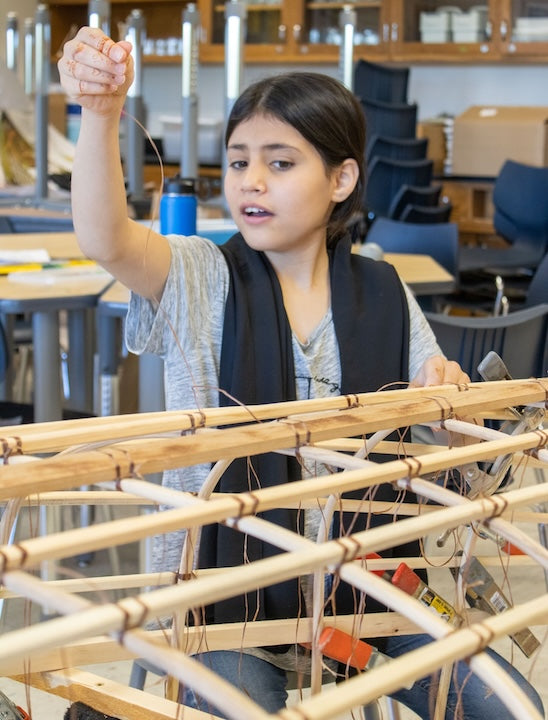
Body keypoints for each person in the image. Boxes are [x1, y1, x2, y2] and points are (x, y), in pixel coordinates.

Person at [58, 28, 544, 720]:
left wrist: (450, 407)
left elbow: (439, 446)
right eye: (238, 162)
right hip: (222, 598)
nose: (251, 182)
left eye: (280, 163)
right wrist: (102, 112)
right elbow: (106, 236)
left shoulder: (384, 291)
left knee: (509, 704)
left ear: (340, 178)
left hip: (369, 589)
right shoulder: (201, 275)